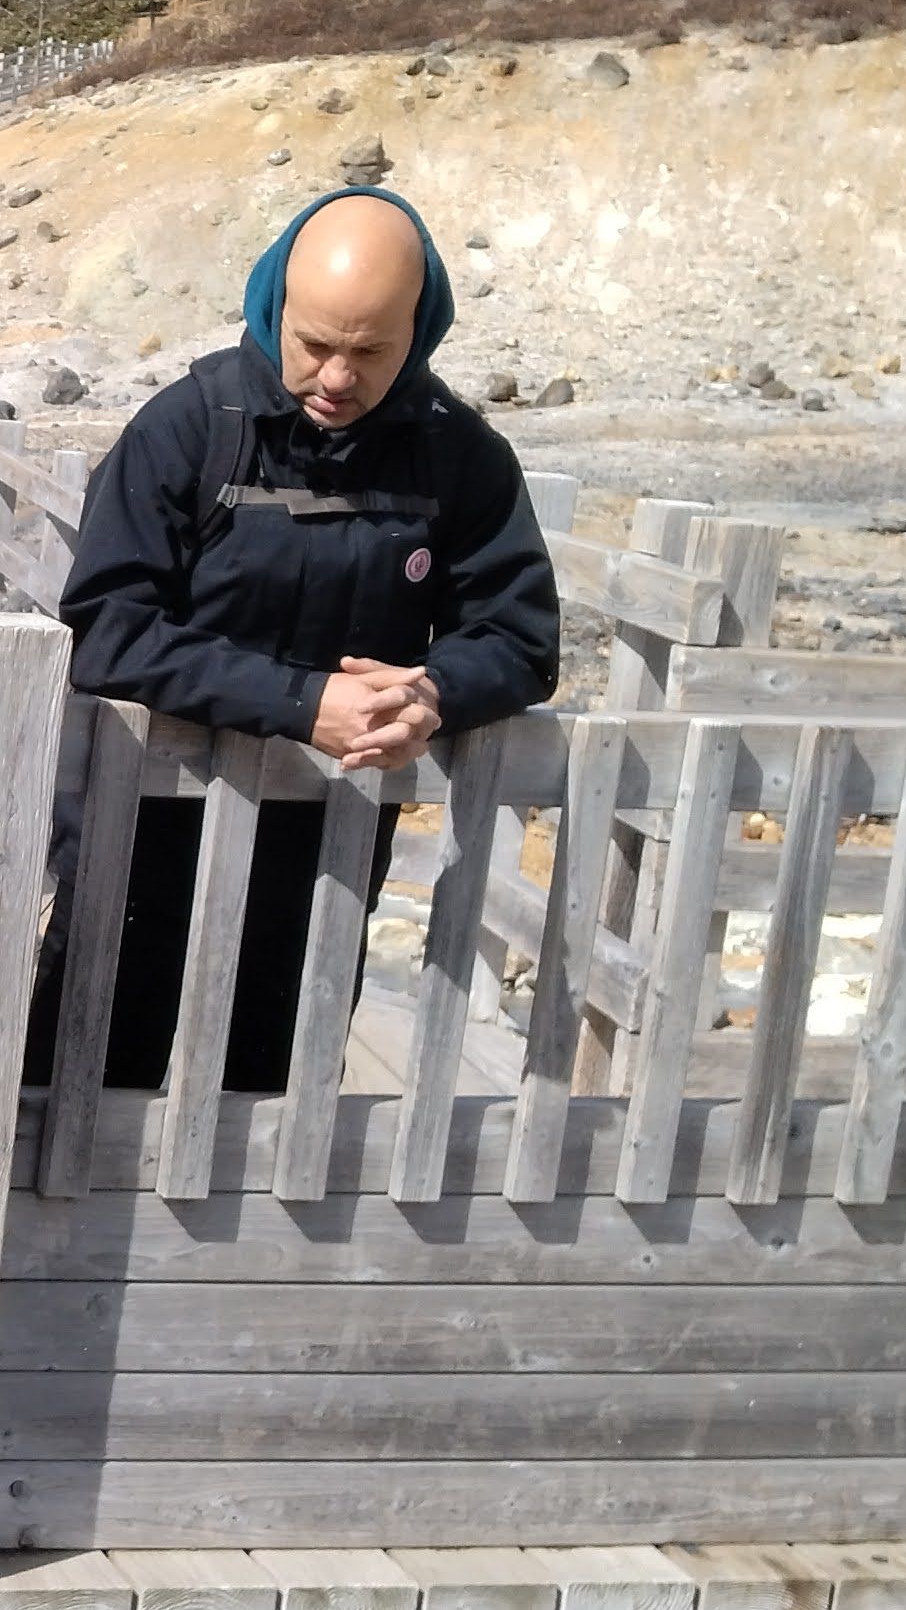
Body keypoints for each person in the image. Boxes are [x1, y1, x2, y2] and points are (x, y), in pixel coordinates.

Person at [45, 184, 559, 1090]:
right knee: (77, 1093)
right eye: (315, 345)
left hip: (326, 855)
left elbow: (519, 638)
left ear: (420, 331)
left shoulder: (460, 456)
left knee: (270, 1106)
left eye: (370, 353)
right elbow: (107, 630)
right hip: (144, 836)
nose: (335, 379)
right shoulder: (190, 428)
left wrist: (434, 692)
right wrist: (301, 699)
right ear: (275, 306)